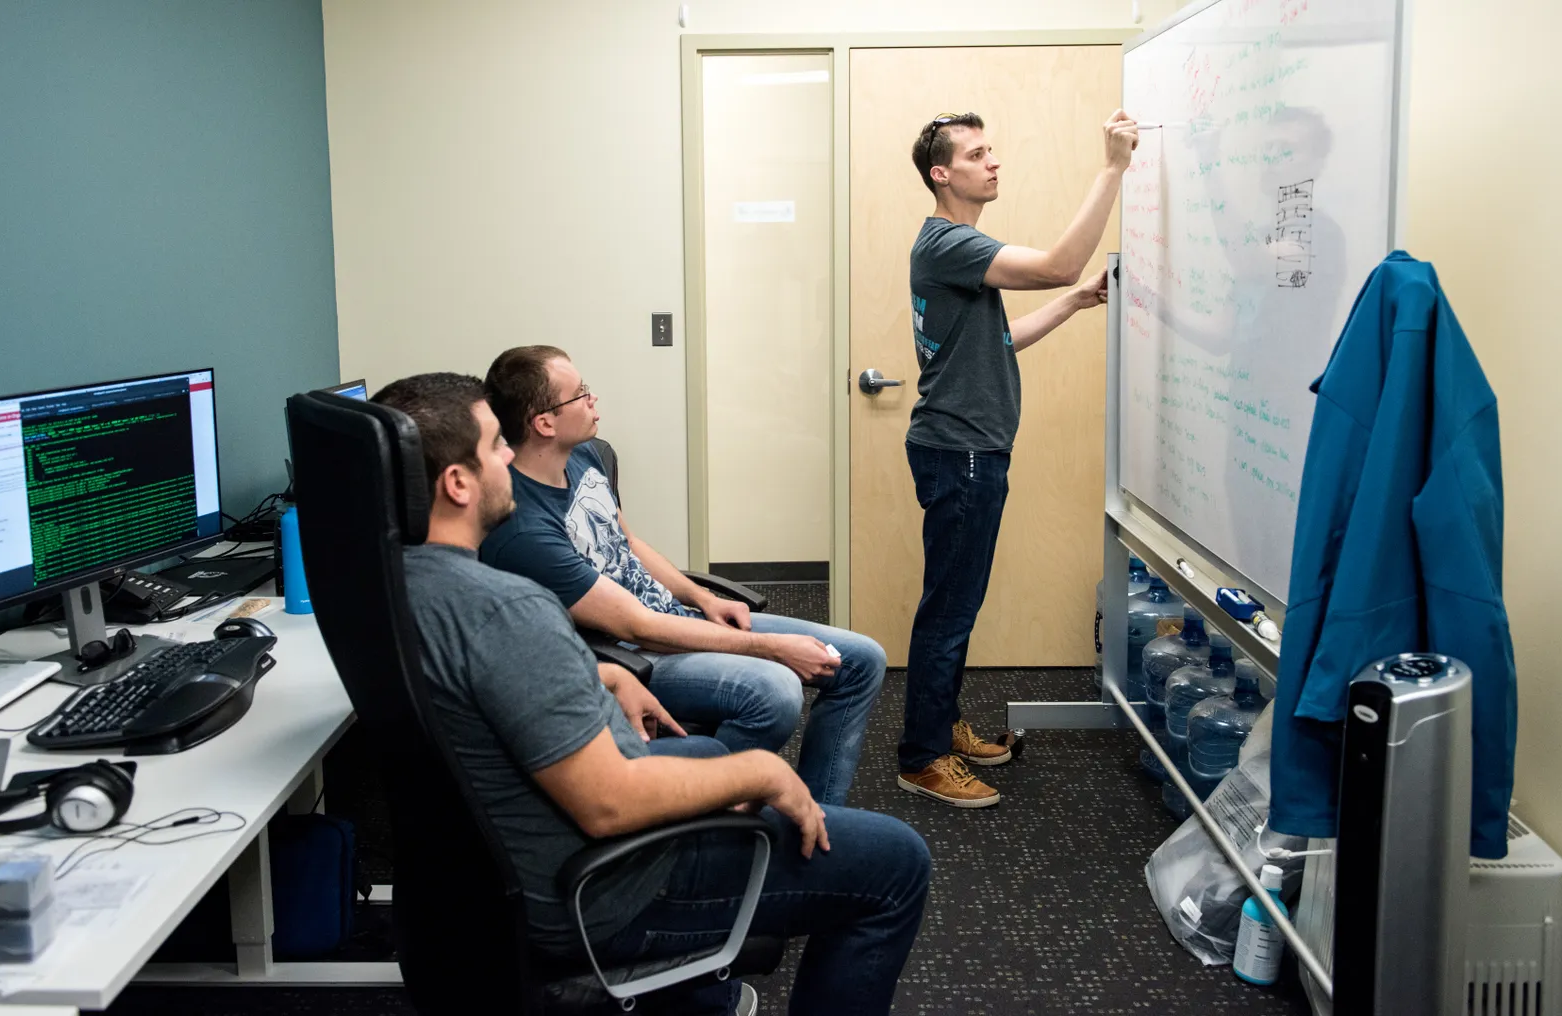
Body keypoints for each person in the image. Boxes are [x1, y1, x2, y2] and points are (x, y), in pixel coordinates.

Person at [372, 372, 930, 1016]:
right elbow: (608, 805)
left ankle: (691, 991)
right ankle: (684, 955)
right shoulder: (504, 607)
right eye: (497, 444)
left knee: (707, 761)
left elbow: (474, 687)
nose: (509, 458)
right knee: (897, 864)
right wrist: (763, 769)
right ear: (457, 483)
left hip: (484, 881)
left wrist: (597, 673)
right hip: (598, 891)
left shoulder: (386, 581)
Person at [478, 346, 886, 807]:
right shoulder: (524, 529)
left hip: (668, 617)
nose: (593, 400)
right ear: (544, 423)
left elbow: (626, 540)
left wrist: (701, 597)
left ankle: (820, 816)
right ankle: (686, 814)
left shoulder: (583, 456)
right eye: (581, 394)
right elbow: (638, 627)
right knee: (775, 690)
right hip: (630, 652)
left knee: (861, 660)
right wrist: (771, 648)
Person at [897, 110, 1136, 807]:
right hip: (961, 454)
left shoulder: (957, 248)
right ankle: (921, 757)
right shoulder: (947, 243)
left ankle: (939, 726)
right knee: (949, 609)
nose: (993, 161)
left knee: (955, 604)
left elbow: (994, 345)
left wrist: (1068, 306)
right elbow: (1060, 260)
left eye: (991, 149)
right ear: (942, 174)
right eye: (977, 154)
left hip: (965, 450)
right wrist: (1112, 168)